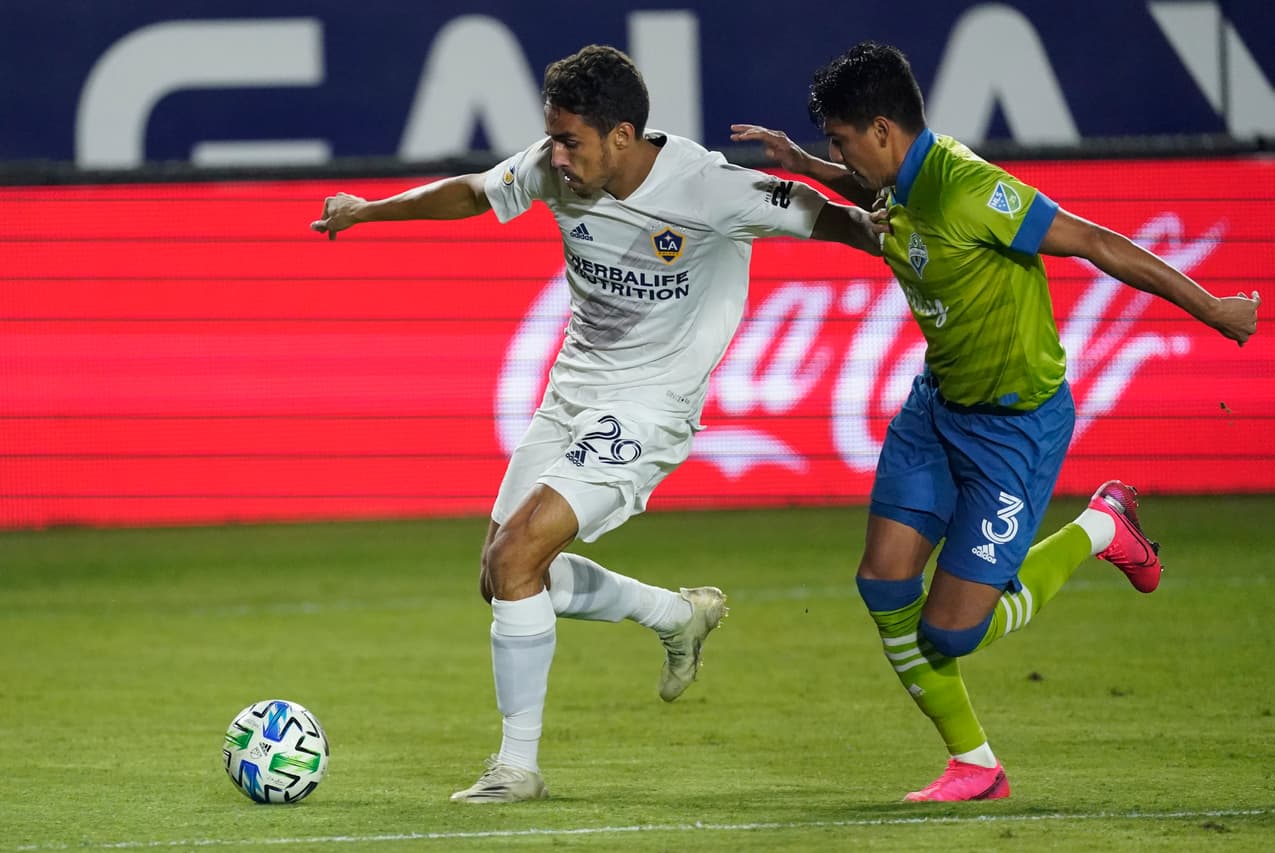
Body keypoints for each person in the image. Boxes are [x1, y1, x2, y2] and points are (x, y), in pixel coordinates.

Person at [311, 44, 886, 803]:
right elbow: (475, 192)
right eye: (552, 138)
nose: (555, 156)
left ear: (622, 135)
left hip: (650, 407)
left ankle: (517, 768)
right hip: (570, 396)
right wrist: (368, 210)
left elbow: (842, 222)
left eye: (570, 141)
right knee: (502, 578)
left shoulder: (709, 187)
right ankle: (675, 614)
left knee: (518, 556)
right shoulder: (556, 168)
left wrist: (913, 240)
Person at [732, 41, 1260, 802]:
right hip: (937, 408)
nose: (837, 154)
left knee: (952, 633)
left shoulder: (968, 188)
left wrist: (1213, 308)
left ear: (882, 130)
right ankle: (975, 765)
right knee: (883, 582)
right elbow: (867, 187)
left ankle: (1101, 526)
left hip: (1015, 429)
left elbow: (1094, 241)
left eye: (841, 140)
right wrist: (805, 165)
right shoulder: (899, 180)